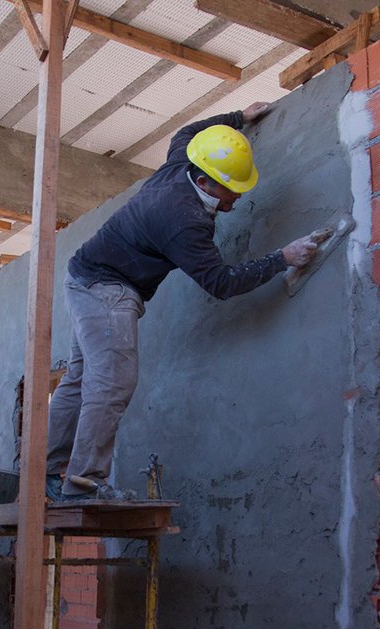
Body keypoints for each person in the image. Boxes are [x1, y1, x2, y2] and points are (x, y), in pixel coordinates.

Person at [45, 102, 327, 502]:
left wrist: (239, 119)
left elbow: (185, 133)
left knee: (79, 379)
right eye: (231, 188)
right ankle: (82, 486)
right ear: (206, 183)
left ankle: (43, 474)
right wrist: (282, 258)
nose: (236, 197)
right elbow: (221, 282)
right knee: (113, 381)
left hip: (85, 276)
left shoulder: (183, 161)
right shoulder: (183, 221)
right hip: (107, 288)